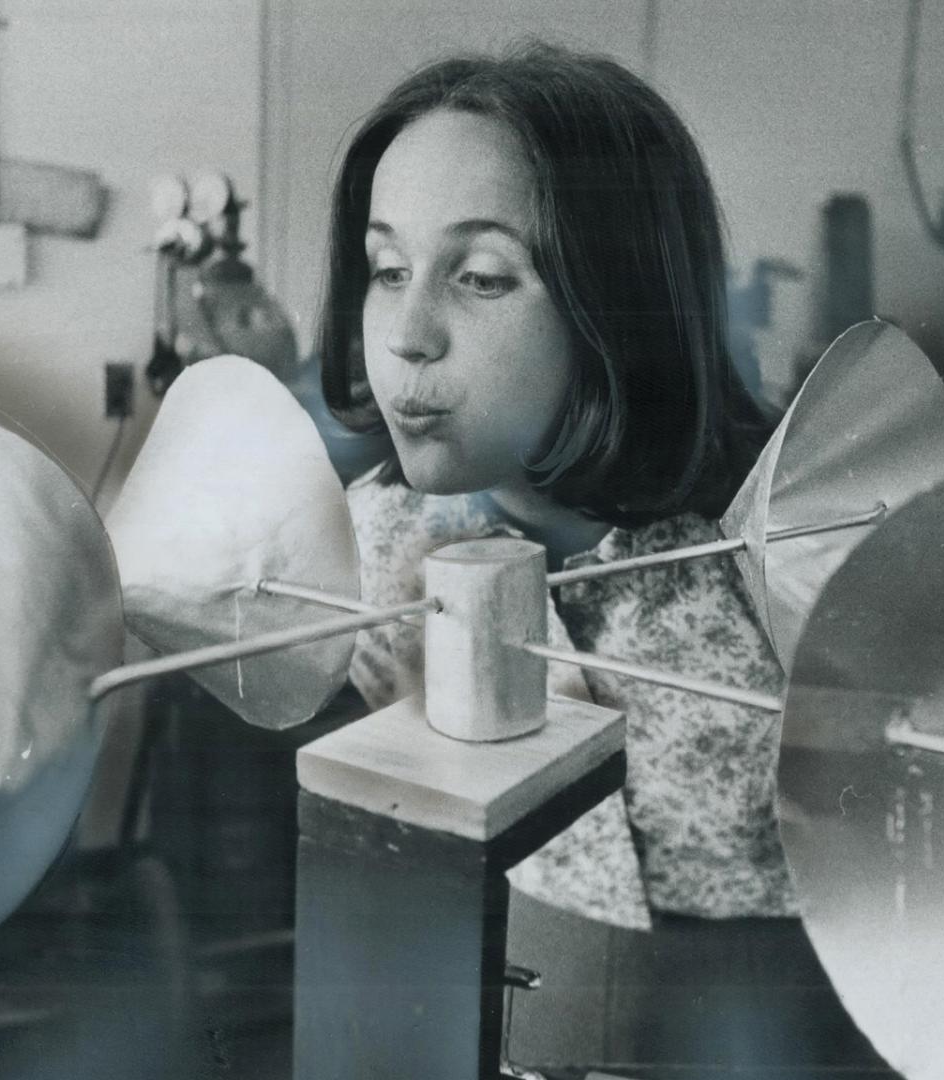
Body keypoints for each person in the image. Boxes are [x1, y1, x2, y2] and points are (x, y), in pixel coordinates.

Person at [318, 41, 882, 1073]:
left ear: (618, 302)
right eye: (387, 269)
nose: (406, 333)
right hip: (505, 1013)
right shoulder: (364, 538)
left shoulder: (800, 538)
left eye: (481, 276)